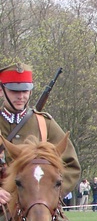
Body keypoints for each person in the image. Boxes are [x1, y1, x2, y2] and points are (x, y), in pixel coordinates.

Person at [0, 63, 83, 208]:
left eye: (25, 91)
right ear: (1, 90)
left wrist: (51, 192)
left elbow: (71, 165)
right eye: (14, 91)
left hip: (38, 207)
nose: (21, 96)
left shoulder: (45, 123)